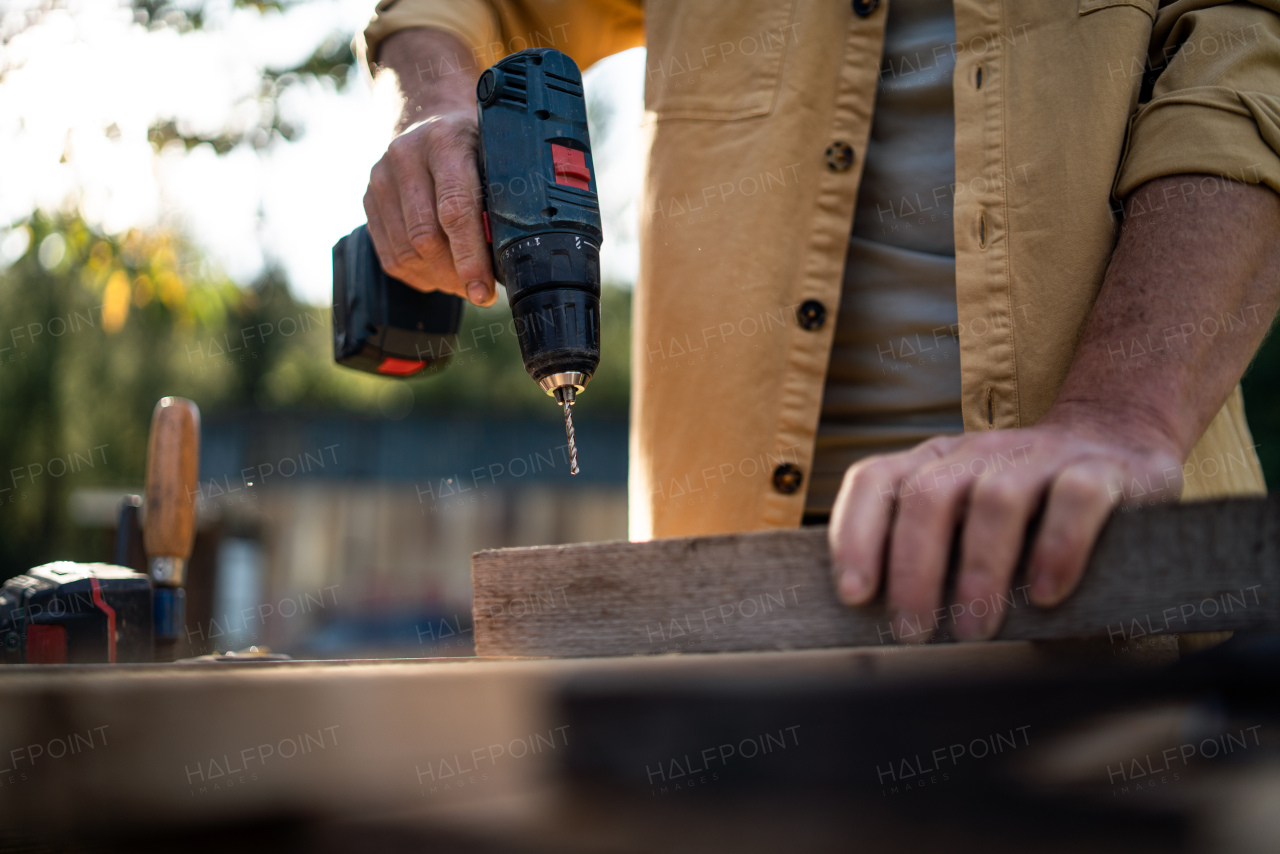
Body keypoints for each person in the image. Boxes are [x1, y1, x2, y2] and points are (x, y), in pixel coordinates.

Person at [359, 0, 1280, 641]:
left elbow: (1251, 46)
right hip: (714, 611)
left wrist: (1121, 416)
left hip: (1099, 572)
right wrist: (432, 106)